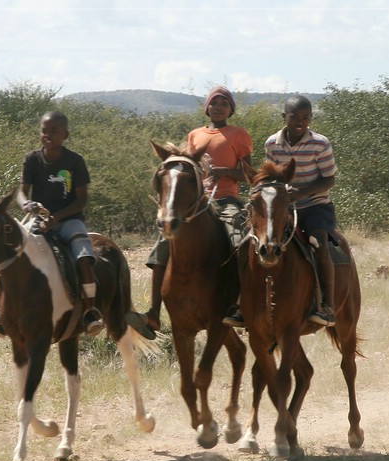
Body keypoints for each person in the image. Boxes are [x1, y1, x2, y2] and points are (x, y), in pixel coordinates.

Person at [0, 110, 105, 337]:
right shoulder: (32, 159)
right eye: (44, 130)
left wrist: (56, 218)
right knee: (9, 255)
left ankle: (90, 311)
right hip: (39, 221)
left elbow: (81, 200)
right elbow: (22, 192)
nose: (47, 135)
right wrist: (26, 205)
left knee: (83, 256)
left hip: (69, 221)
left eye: (54, 131)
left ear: (65, 135)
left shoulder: (74, 161)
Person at [131, 86, 253, 333]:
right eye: (214, 103)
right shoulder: (195, 134)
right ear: (207, 107)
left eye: (224, 104)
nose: (218, 108)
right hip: (196, 202)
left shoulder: (239, 134)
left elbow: (248, 173)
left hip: (227, 200)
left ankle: (241, 305)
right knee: (163, 242)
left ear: (231, 109)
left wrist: (224, 172)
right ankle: (154, 312)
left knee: (240, 239)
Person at [262, 95, 338, 327]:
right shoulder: (272, 144)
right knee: (256, 241)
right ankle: (245, 304)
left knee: (318, 243)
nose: (300, 122)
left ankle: (327, 305)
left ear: (311, 118)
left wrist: (303, 193)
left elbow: (329, 179)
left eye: (305, 117)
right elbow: (271, 177)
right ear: (284, 117)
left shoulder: (320, 143)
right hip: (284, 207)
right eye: (294, 117)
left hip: (315, 206)